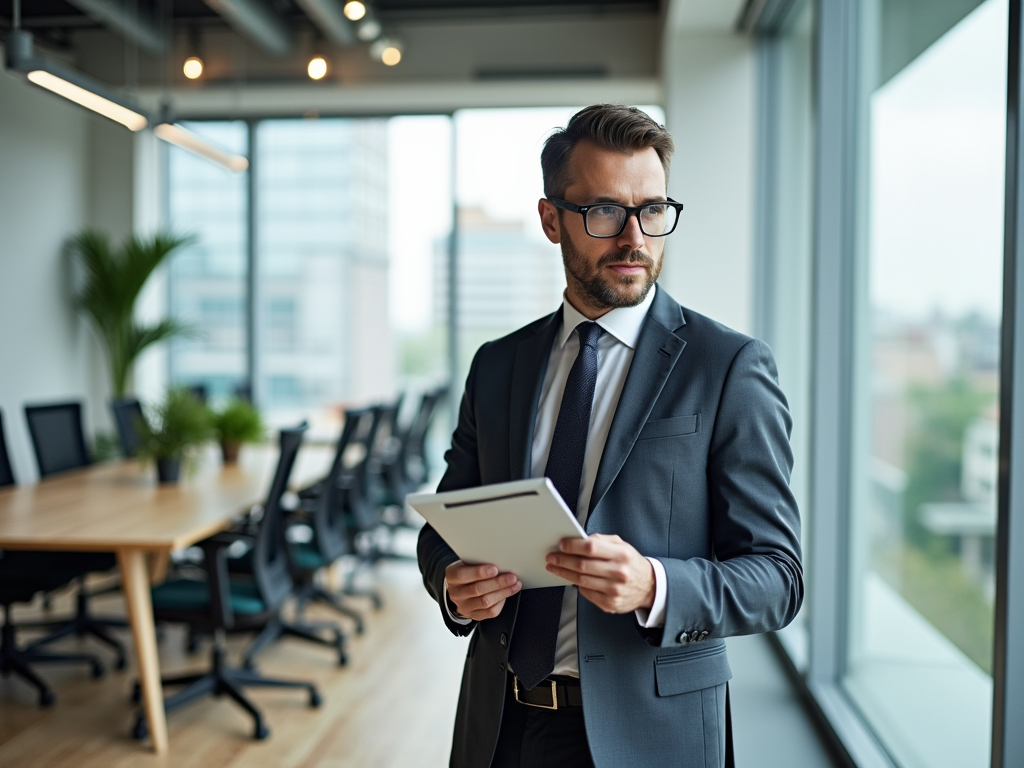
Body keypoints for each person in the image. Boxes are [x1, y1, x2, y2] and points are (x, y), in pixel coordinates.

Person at [417, 104, 803, 768]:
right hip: (500, 726)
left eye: (653, 211)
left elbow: (777, 577)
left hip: (653, 735)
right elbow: (446, 529)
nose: (634, 239)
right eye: (604, 212)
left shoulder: (728, 366)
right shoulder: (498, 365)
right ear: (550, 220)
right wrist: (452, 582)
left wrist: (656, 585)